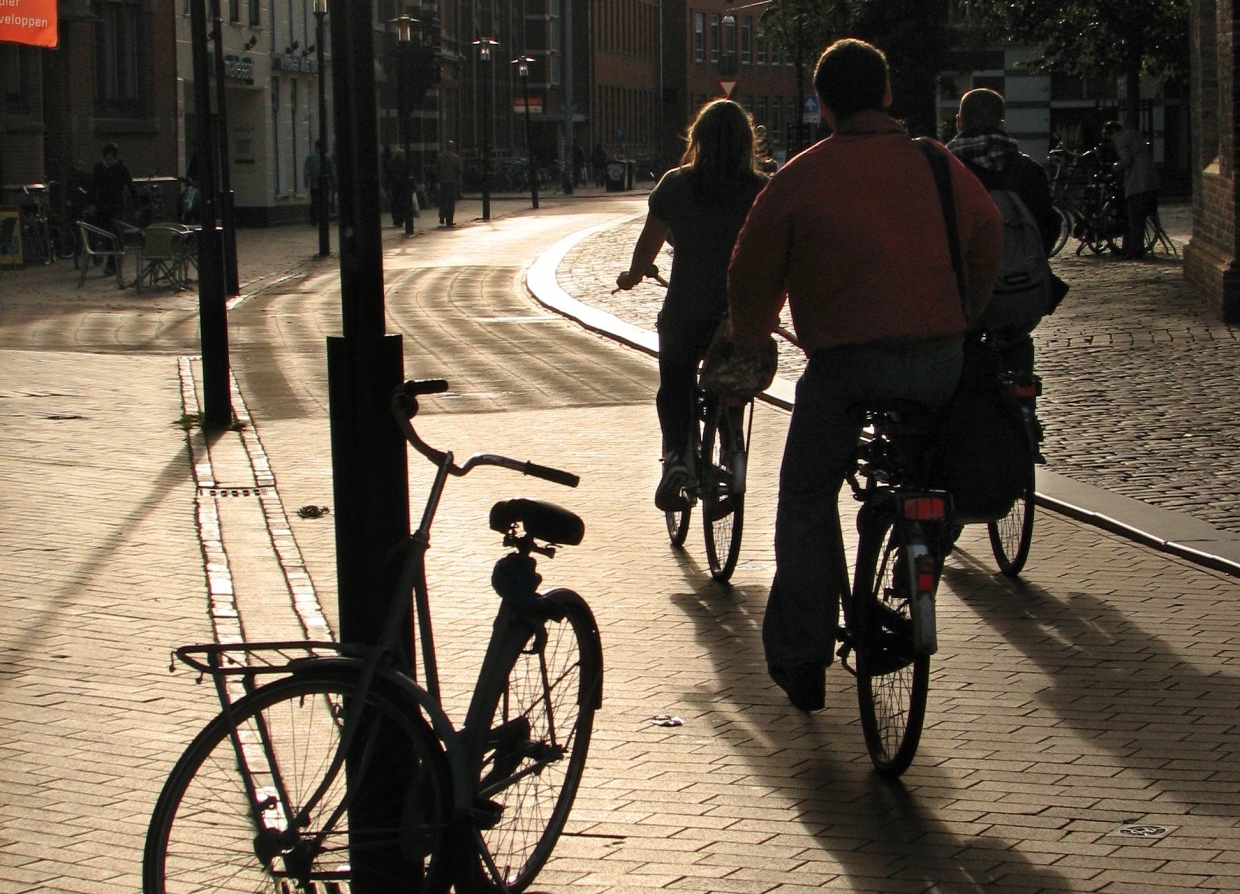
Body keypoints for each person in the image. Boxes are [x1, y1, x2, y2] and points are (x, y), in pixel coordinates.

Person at [727, 38, 1004, 713]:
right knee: (933, 462)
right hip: (938, 358)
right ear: (886, 96)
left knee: (806, 494)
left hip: (846, 365)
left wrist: (755, 339)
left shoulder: (801, 175)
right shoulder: (937, 164)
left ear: (822, 104)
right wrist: (964, 311)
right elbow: (988, 230)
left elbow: (751, 269)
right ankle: (922, 547)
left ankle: (804, 652)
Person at [614, 98, 769, 511]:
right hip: (739, 314)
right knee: (731, 382)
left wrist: (632, 277)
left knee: (675, 383)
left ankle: (678, 459)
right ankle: (729, 455)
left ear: (697, 138)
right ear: (746, 143)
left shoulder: (675, 185)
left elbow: (646, 247)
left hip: (687, 308)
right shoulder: (761, 190)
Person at [947, 87, 1059, 376]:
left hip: (965, 297)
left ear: (959, 122)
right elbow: (1049, 225)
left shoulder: (943, 171)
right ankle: (1023, 407)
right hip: (1022, 293)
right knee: (1017, 346)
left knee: (960, 357)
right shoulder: (1029, 171)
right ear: (1002, 124)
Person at [1104, 120, 1160, 259]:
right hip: (1150, 178)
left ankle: (1135, 250)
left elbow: (1126, 160)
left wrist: (1113, 167)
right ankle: (1135, 247)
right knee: (1139, 216)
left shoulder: (1120, 139)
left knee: (1134, 217)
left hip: (1137, 181)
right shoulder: (1134, 135)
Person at [85, 142, 136, 274]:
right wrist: (91, 203)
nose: (108, 160)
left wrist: (137, 206)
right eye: (107, 158)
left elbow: (130, 187)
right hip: (102, 206)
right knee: (104, 233)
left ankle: (112, 265)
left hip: (116, 206)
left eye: (110, 158)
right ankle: (102, 255)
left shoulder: (121, 169)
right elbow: (93, 186)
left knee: (114, 235)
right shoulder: (99, 168)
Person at [304, 140, 334, 226]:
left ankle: (314, 219)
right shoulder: (328, 157)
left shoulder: (310, 158)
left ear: (316, 146)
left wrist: (306, 183)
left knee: (314, 202)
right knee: (324, 202)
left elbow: (306, 172)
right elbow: (332, 171)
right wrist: (333, 183)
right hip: (325, 185)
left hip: (314, 185)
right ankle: (324, 219)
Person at [436, 140, 464, 227]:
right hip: (452, 182)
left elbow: (436, 169)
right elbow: (460, 170)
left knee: (443, 200)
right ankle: (449, 219)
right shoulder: (456, 158)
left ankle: (441, 216)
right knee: (451, 201)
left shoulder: (440, 157)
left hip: (442, 182)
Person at [387, 148, 410, 229]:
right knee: (402, 203)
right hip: (402, 185)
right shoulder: (404, 163)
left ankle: (396, 219)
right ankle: (400, 219)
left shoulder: (391, 163)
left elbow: (388, 175)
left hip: (394, 185)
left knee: (395, 203)